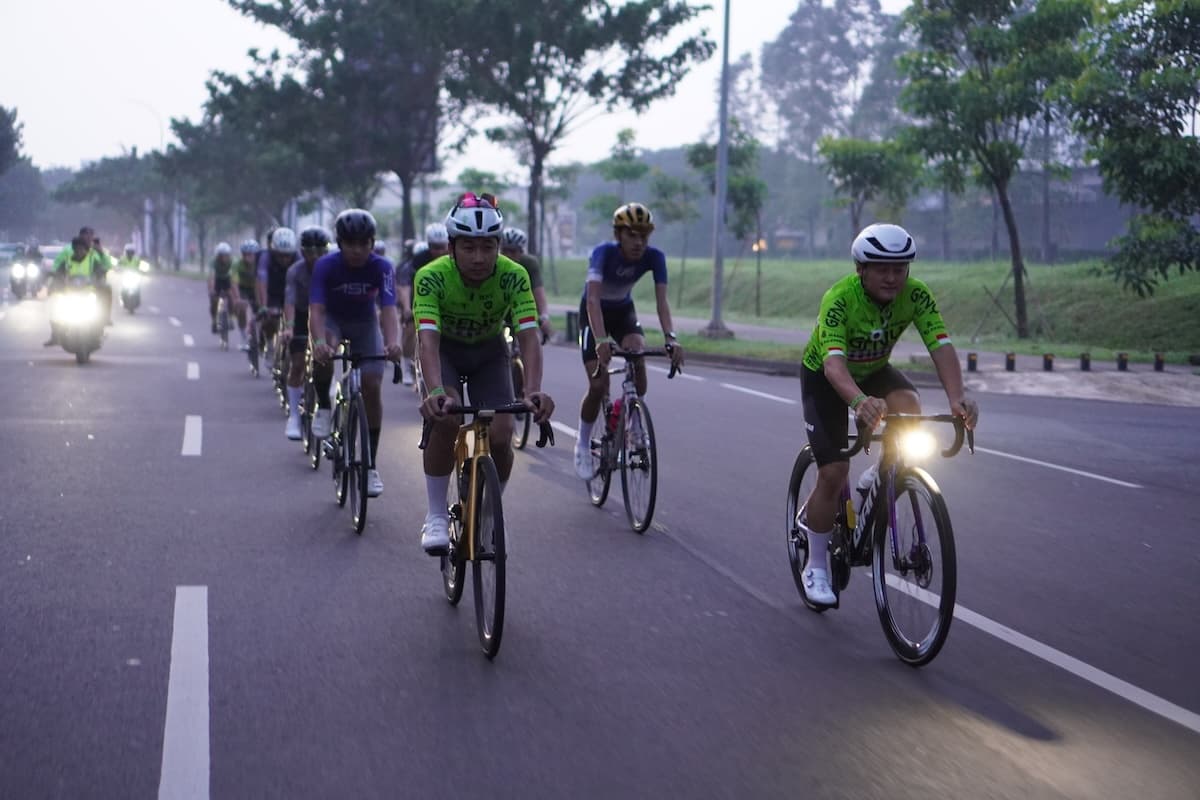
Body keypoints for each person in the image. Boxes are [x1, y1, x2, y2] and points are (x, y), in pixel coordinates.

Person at [795, 223, 980, 607]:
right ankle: (815, 565)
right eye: (882, 268)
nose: (893, 277)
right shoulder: (840, 298)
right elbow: (833, 366)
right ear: (861, 269)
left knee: (910, 409)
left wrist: (957, 398)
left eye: (900, 269)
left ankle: (879, 474)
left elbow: (940, 346)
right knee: (833, 472)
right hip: (827, 376)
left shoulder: (917, 295)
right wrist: (860, 402)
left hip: (874, 368)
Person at [413, 192, 555, 555]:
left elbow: (527, 334)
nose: (479, 258)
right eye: (469, 248)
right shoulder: (430, 277)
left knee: (503, 432)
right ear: (451, 247)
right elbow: (427, 341)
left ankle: (489, 513)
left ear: (499, 246)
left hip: (489, 352)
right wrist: (433, 392)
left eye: (488, 247)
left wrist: (534, 390)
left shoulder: (514, 276)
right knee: (446, 419)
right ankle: (435, 517)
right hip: (445, 351)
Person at [572, 202, 684, 480]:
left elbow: (662, 303)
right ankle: (583, 443)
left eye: (644, 236)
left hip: (623, 311)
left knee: (638, 355)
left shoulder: (655, 257)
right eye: (632, 235)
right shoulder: (603, 253)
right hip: (593, 313)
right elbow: (594, 299)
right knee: (598, 385)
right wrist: (600, 339)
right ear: (618, 234)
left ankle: (633, 418)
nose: (638, 242)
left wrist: (671, 337)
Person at [308, 210, 402, 497]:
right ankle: (324, 406)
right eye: (351, 243)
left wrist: (393, 342)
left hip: (365, 323)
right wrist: (320, 342)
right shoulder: (325, 266)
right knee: (325, 355)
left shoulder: (383, 267)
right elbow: (316, 310)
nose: (358, 250)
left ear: (373, 243)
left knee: (372, 385)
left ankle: (370, 465)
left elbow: (388, 310)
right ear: (339, 243)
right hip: (333, 320)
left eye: (364, 243)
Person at [281, 227, 330, 440]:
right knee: (298, 364)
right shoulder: (295, 271)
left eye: (320, 250)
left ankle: (324, 403)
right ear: (302, 252)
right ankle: (293, 415)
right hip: (301, 316)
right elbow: (290, 300)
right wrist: (290, 326)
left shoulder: (333, 268)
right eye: (310, 251)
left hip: (327, 316)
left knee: (326, 358)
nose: (316, 256)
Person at [397, 222, 450, 386]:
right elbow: (405, 285)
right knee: (411, 328)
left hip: (444, 299)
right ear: (428, 245)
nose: (440, 252)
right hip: (419, 297)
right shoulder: (417, 260)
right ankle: (406, 367)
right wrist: (407, 307)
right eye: (435, 247)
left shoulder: (454, 258)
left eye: (443, 247)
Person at [44, 236, 106, 346]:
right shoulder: (67, 261)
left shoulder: (92, 260)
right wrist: (54, 276)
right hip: (70, 293)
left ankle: (98, 333)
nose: (79, 251)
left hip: (89, 293)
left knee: (99, 311)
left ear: (86, 249)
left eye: (82, 249)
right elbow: (59, 271)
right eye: (76, 249)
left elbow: (100, 270)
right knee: (56, 311)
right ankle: (56, 335)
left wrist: (99, 277)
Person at [500, 227, 554, 341]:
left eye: (513, 251)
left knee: (530, 342)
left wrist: (544, 316)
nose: (508, 255)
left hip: (521, 310)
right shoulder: (492, 263)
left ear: (521, 252)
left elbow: (538, 292)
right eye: (505, 251)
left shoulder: (529, 264)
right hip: (498, 312)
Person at [255, 227, 299, 354]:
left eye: (288, 256)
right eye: (280, 255)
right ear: (273, 251)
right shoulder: (265, 257)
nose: (284, 260)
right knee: (270, 319)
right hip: (272, 293)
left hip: (292, 293)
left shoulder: (299, 258)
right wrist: (263, 306)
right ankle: (269, 344)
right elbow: (262, 281)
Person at [234, 239, 260, 349]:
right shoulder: (238, 264)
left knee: (260, 313)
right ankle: (244, 337)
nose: (249, 257)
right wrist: (237, 298)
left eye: (252, 254)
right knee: (242, 309)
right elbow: (234, 282)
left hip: (256, 288)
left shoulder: (260, 264)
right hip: (243, 288)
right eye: (246, 254)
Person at [208, 243, 238, 333]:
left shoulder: (233, 261)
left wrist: (234, 291)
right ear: (218, 256)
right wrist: (212, 290)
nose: (224, 258)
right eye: (221, 256)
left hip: (227, 279)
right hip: (217, 280)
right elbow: (211, 277)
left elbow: (234, 277)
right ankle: (214, 320)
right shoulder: (213, 261)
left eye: (226, 256)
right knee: (214, 300)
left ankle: (231, 318)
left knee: (231, 297)